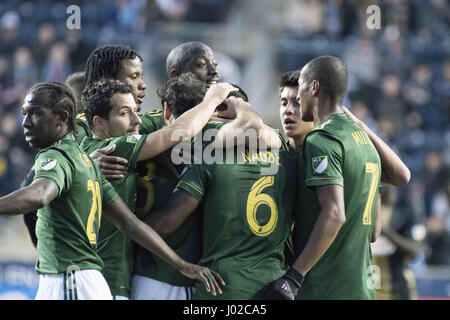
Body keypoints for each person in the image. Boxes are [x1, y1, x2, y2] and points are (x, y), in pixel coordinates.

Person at [0, 82, 224, 300]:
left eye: (35, 114)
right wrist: (182, 265)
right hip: (83, 280)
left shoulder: (61, 156)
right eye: (25, 113)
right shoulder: (87, 163)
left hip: (70, 279)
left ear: (61, 118)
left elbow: (40, 194)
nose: (25, 123)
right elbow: (129, 223)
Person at [258, 56, 410, 300]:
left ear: (314, 89)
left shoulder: (322, 142)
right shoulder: (361, 144)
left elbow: (338, 215)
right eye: (283, 102)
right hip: (357, 288)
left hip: (320, 286)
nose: (291, 107)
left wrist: (294, 277)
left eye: (297, 99)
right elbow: (374, 229)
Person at [80, 76, 236, 299]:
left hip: (113, 279)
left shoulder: (92, 151)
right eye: (125, 113)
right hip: (104, 280)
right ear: (99, 123)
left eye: (136, 110)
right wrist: (214, 98)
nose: (137, 121)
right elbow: (182, 129)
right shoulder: (114, 148)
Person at [22, 71, 91, 248]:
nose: (26, 123)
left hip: (69, 263)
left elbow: (36, 195)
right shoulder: (73, 150)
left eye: (35, 114)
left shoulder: (62, 148)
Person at [371, 185, 426, 300]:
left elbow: (414, 251)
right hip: (371, 291)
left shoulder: (406, 208)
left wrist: (386, 232)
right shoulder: (366, 207)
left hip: (399, 291)